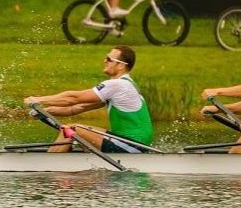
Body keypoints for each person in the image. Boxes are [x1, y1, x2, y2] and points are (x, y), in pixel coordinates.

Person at [23, 46, 153, 154]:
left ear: (121, 66)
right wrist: (45, 111)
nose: (104, 60)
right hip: (131, 143)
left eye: (109, 59)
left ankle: (48, 165)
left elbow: (74, 98)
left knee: (71, 130)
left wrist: (38, 100)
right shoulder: (124, 86)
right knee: (75, 133)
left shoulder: (118, 85)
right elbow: (76, 108)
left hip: (132, 145)